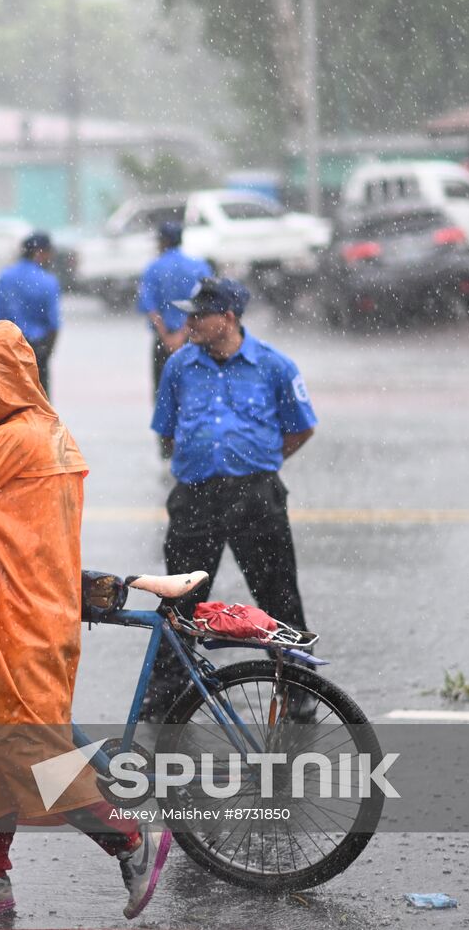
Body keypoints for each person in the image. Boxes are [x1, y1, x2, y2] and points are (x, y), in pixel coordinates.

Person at [0, 321, 171, 919]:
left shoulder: (13, 441)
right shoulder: (50, 432)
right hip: (30, 612)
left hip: (17, 623)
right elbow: (16, 519)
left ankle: (130, 839)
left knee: (30, 755)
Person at [146, 277, 316, 719]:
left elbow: (301, 427)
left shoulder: (274, 365)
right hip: (195, 498)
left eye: (199, 315)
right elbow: (165, 428)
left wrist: (259, 463)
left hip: (255, 496)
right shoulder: (180, 366)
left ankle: (298, 688)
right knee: (179, 602)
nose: (190, 322)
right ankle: (168, 689)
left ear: (229, 318)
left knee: (278, 594)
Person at [136, 221, 213, 458]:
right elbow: (207, 303)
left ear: (163, 242)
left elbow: (149, 305)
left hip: (163, 340)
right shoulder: (199, 266)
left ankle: (167, 445)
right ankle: (193, 441)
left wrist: (167, 336)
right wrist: (184, 333)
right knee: (196, 389)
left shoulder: (153, 268)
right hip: (195, 338)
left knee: (163, 391)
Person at [0, 231, 62, 395]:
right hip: (36, 351)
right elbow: (54, 325)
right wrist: (45, 355)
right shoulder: (48, 281)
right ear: (40, 252)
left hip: (7, 350)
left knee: (8, 406)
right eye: (48, 253)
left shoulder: (4, 277)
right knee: (39, 409)